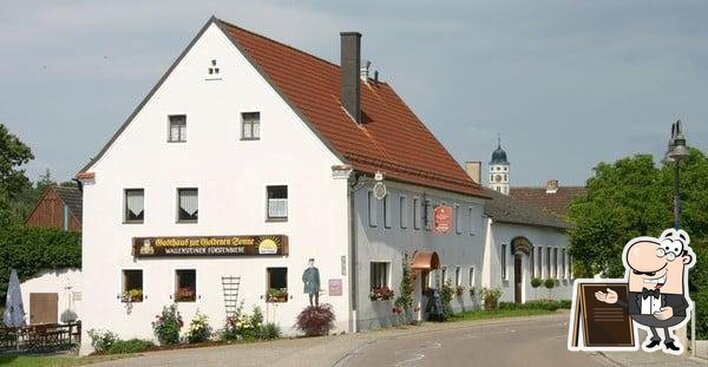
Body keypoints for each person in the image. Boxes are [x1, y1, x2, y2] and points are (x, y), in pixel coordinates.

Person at [595, 228, 696, 354]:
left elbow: (684, 304)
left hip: (669, 316)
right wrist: (617, 300)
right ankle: (656, 337)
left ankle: (668, 340)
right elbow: (631, 307)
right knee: (651, 318)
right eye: (637, 272)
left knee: (662, 319)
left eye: (652, 273)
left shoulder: (673, 290)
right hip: (646, 317)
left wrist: (672, 311)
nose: (648, 276)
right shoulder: (637, 293)